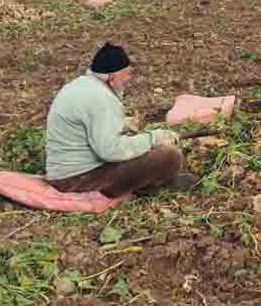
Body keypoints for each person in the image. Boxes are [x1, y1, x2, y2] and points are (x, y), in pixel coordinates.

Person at [44, 42, 196, 197]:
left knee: (137, 146)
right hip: (78, 180)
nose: (129, 79)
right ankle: (146, 187)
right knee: (169, 156)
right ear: (112, 76)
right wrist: (153, 138)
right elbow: (110, 150)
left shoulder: (81, 85)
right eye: (126, 74)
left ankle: (145, 183)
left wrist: (122, 124)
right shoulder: (102, 99)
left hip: (62, 174)